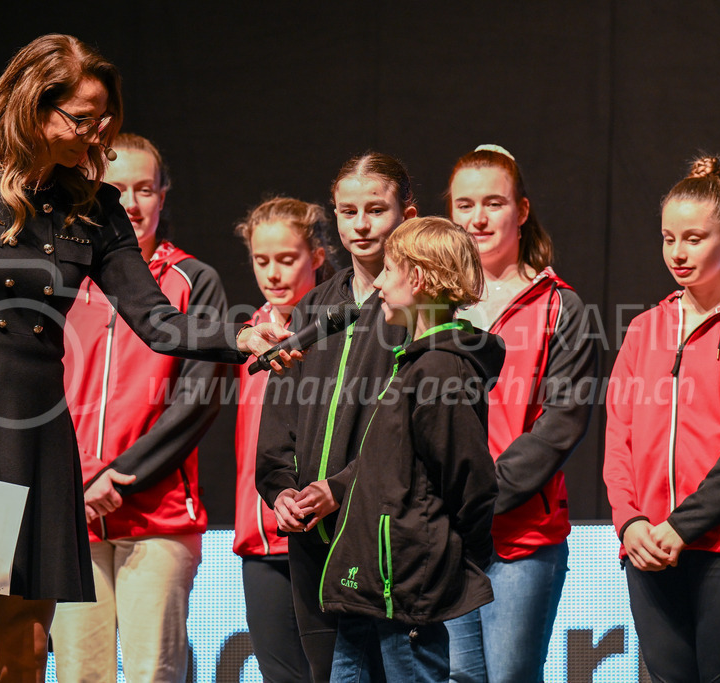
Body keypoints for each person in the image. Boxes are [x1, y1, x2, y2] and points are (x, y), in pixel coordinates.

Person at [0, 34, 292, 682]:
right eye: (82, 119)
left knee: (30, 644)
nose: (97, 134)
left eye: (104, 120)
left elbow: (157, 320)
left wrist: (239, 336)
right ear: (35, 108)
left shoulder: (93, 207)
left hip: (38, 438)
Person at [603, 155, 720, 682]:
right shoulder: (643, 329)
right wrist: (630, 522)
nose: (677, 253)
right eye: (668, 238)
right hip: (647, 544)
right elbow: (619, 435)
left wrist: (682, 526)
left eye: (693, 238)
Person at [50, 133, 227, 682]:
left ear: (163, 195)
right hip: (73, 517)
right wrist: (70, 488)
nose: (132, 203)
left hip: (157, 519)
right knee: (81, 675)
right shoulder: (64, 281)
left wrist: (119, 478)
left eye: (145, 189)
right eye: (117, 188)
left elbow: (198, 401)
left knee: (154, 673)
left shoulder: (193, 281)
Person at [319, 216, 503, 682]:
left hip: (407, 582)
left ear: (417, 278)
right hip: (371, 583)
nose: (377, 282)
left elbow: (470, 481)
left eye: (388, 270)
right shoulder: (415, 364)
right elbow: (388, 464)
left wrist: (449, 557)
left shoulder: (440, 370)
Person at [256, 152, 417, 682]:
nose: (362, 225)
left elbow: (409, 434)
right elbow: (278, 428)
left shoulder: (420, 310)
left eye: (376, 209)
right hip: (313, 545)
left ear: (407, 216)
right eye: (348, 211)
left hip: (388, 547)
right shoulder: (312, 309)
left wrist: (341, 489)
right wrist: (280, 491)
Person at [444, 144, 598, 683]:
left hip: (522, 539)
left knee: (511, 677)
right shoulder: (432, 307)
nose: (477, 218)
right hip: (447, 539)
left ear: (522, 211)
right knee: (459, 678)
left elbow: (561, 423)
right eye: (464, 204)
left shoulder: (562, 306)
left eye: (493, 202)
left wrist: (484, 495)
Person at [234, 197, 335, 683]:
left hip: (323, 535)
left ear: (317, 255)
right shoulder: (248, 334)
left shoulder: (339, 329)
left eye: (287, 258)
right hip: (259, 538)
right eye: (261, 260)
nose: (273, 273)